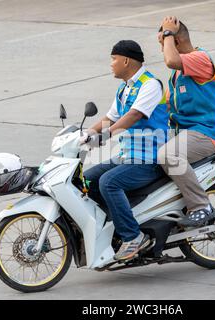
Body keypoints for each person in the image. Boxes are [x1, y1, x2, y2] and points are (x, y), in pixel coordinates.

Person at [82, 40, 168, 261]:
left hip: (149, 158)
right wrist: (84, 134)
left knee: (109, 182)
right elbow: (110, 117)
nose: (111, 64)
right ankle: (117, 224)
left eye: (114, 59)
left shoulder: (150, 85)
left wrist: (106, 134)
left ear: (126, 60)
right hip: (127, 156)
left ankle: (133, 236)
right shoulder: (124, 88)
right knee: (84, 181)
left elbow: (133, 115)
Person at [157, 16, 215, 227]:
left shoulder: (200, 59)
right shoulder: (177, 73)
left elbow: (171, 59)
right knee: (142, 145)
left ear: (176, 41)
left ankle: (200, 206)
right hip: (184, 131)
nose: (163, 51)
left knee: (168, 154)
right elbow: (166, 105)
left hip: (207, 133)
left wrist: (168, 32)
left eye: (164, 45)